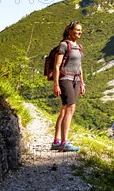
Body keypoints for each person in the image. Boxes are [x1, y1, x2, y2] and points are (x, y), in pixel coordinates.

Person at [51, 21, 85, 152]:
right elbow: (56, 66)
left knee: (64, 110)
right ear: (69, 31)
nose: (79, 32)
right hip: (65, 79)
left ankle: (56, 141)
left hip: (76, 80)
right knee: (70, 108)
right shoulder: (64, 45)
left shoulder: (79, 46)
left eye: (80, 30)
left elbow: (79, 66)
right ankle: (64, 142)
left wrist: (82, 82)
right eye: (77, 30)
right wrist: (56, 84)